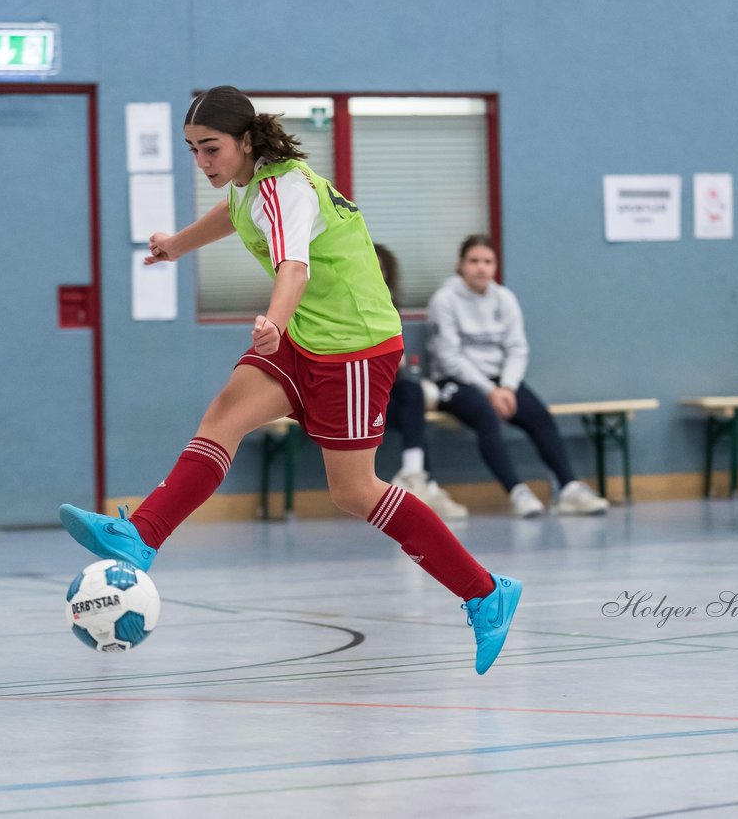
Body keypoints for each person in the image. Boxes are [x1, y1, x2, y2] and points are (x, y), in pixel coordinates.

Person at [59, 87, 519, 674]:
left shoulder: (287, 189)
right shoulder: (252, 180)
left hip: (354, 347)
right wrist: (177, 245)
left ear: (246, 141)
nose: (203, 163)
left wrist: (273, 323)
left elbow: (293, 265)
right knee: (223, 417)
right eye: (193, 151)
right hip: (306, 336)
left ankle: (484, 592)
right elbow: (233, 208)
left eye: (211, 149)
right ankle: (141, 537)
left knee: (354, 492)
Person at [426, 235, 610, 517]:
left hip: (502, 382)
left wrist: (508, 387)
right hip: (456, 383)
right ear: (460, 265)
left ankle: (569, 488)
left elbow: (517, 348)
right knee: (486, 416)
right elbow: (449, 358)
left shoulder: (504, 298)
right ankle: (517, 492)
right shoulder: (444, 300)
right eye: (474, 261)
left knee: (539, 416)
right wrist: (490, 391)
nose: (481, 268)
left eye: (488, 262)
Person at [373, 244, 468, 521]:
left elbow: (394, 360)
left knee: (412, 395)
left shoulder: (388, 305)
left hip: (387, 387)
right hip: (355, 394)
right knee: (411, 410)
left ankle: (416, 477)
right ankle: (429, 485)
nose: (377, 276)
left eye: (382, 271)